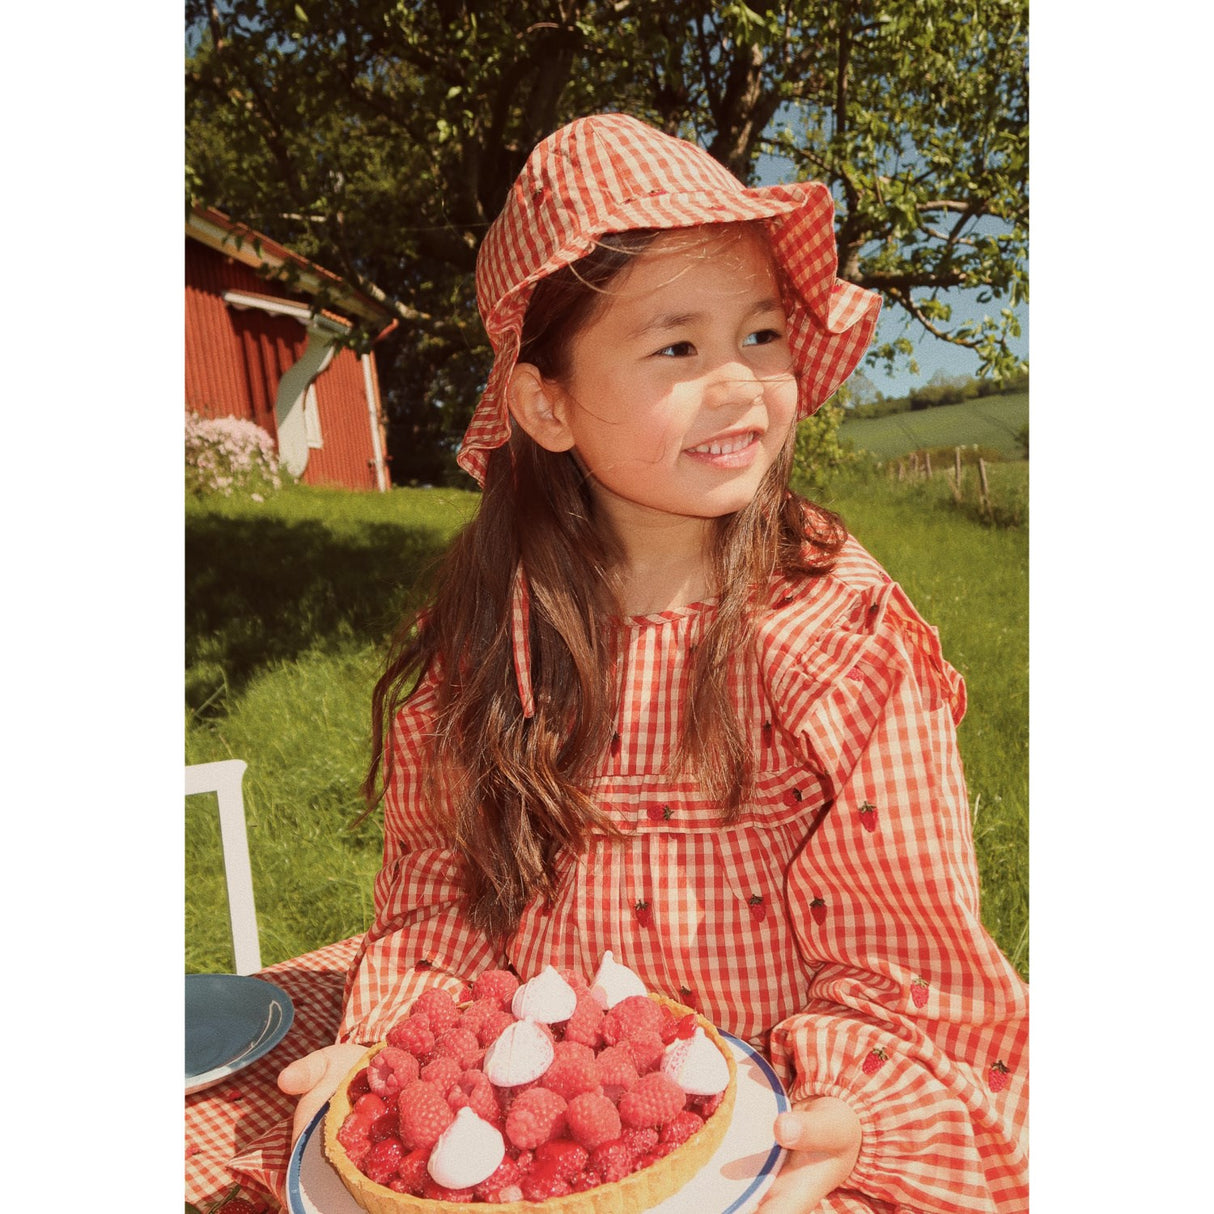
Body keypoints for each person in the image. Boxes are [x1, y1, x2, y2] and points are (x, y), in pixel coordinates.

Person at [278, 113, 1029, 1213]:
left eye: (761, 334)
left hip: (780, 1120)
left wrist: (846, 1109)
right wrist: (403, 1047)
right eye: (677, 347)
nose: (738, 382)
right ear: (547, 403)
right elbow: (441, 888)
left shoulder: (834, 637)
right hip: (549, 1133)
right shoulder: (488, 640)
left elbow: (900, 952)